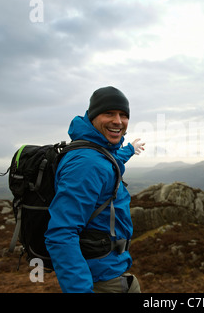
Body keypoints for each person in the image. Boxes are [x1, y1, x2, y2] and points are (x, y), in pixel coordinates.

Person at [45, 86, 144, 293]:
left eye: (124, 115)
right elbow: (62, 233)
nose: (118, 121)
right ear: (92, 116)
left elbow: (110, 163)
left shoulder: (97, 152)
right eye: (109, 113)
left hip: (109, 272)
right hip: (101, 281)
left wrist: (130, 150)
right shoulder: (87, 163)